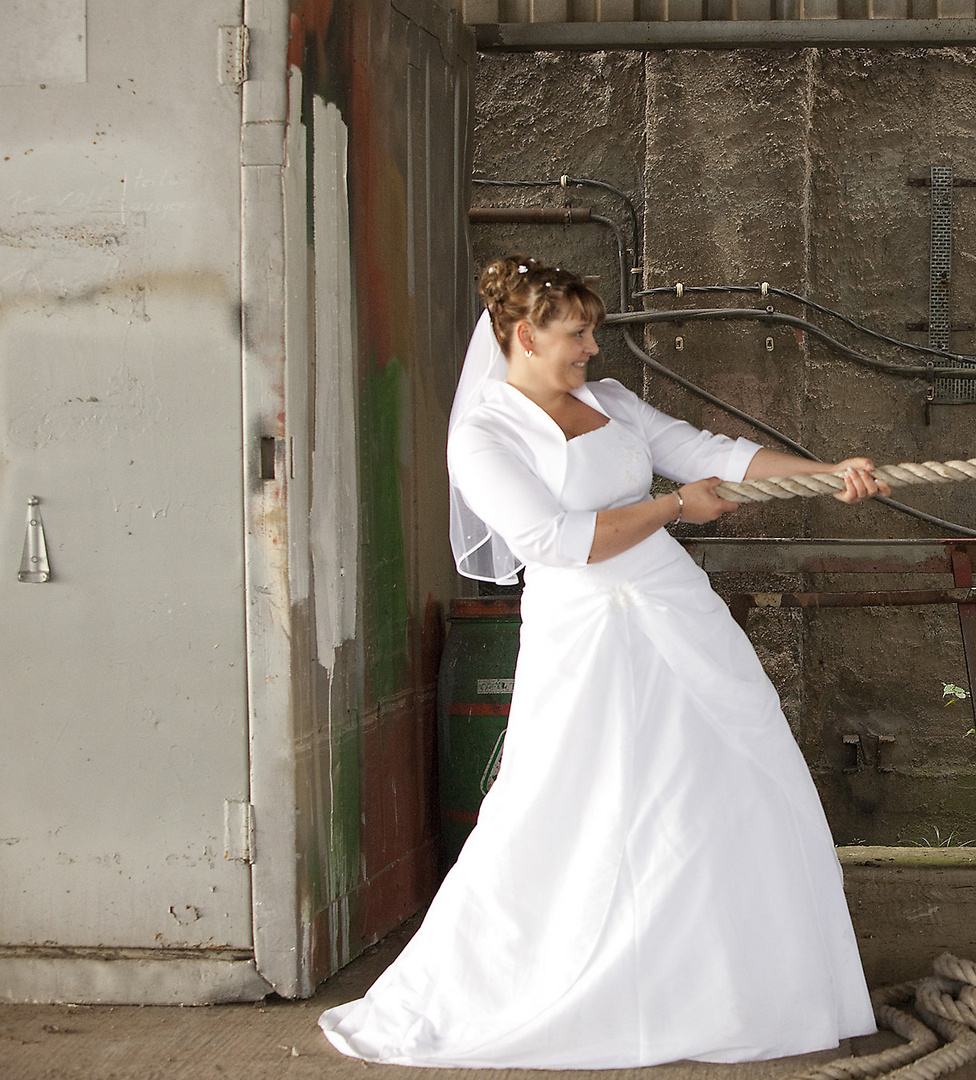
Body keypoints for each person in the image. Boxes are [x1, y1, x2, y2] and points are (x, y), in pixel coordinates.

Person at [319, 256, 883, 1069]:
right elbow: (551, 541)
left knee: (724, 784)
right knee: (582, 799)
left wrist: (824, 476)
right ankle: (573, 985)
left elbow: (705, 451)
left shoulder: (607, 401)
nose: (592, 347)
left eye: (592, 331)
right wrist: (670, 508)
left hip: (678, 614)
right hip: (586, 633)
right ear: (523, 334)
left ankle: (727, 987)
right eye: (577, 332)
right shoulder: (484, 434)